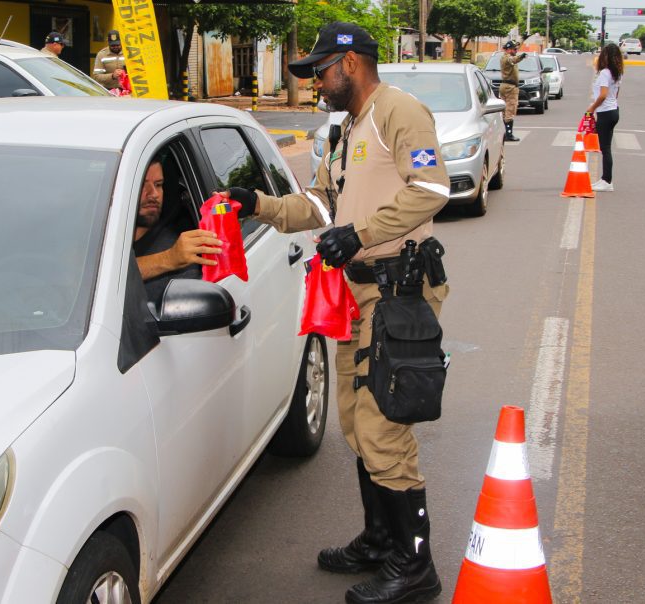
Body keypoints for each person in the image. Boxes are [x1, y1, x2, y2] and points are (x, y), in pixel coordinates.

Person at [221, 22, 450, 604]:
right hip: (355, 293)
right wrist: (260, 205)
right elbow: (320, 204)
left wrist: (360, 234)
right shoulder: (345, 128)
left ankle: (414, 565)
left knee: (382, 423)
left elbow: (431, 188)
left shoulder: (401, 112)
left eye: (320, 72)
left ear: (350, 64)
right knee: (353, 419)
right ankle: (378, 540)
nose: (316, 84)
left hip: (399, 292)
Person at [133, 157, 221, 304]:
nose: (154, 194)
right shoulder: (93, 239)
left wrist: (170, 258)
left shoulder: (181, 260)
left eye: (158, 184)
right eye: (143, 184)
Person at [587, 43, 623, 192]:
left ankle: (607, 181)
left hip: (606, 113)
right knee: (606, 147)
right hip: (613, 110)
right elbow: (615, 94)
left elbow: (602, 95)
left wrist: (592, 108)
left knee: (605, 148)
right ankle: (605, 179)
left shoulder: (605, 73)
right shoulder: (618, 73)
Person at [499, 40, 527, 142]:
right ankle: (508, 134)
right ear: (509, 50)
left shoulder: (506, 55)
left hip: (505, 85)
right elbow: (514, 59)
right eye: (514, 49)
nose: (516, 50)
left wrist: (523, 39)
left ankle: (505, 132)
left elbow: (516, 47)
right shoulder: (508, 58)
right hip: (510, 87)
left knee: (505, 110)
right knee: (510, 110)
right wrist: (522, 56)